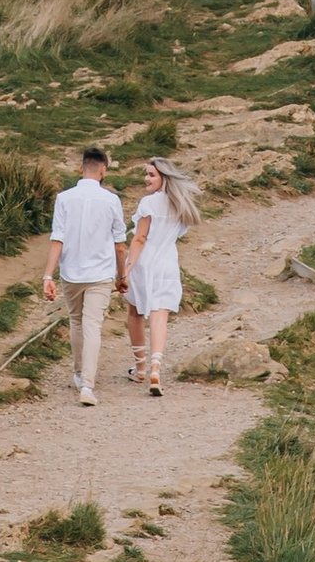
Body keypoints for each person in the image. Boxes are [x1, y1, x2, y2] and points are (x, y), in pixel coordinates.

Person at [42, 146, 129, 404]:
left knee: (76, 322)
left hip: (71, 272)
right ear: (103, 171)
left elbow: (57, 238)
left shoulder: (63, 198)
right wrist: (121, 275)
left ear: (81, 168)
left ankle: (80, 374)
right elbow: (120, 244)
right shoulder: (112, 200)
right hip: (101, 272)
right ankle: (87, 386)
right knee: (93, 326)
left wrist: (48, 276)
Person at [122, 157, 201, 394]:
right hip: (167, 262)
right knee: (160, 314)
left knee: (135, 311)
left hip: (145, 261)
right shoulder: (179, 204)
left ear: (163, 178)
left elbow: (140, 238)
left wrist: (126, 270)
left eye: (151, 175)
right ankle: (156, 368)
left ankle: (141, 367)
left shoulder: (148, 203)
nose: (146, 179)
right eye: (146, 174)